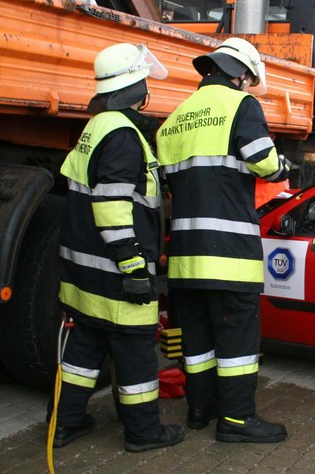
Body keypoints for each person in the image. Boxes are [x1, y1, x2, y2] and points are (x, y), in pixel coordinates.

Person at [53, 43, 185, 452]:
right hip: (115, 273)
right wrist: (133, 268)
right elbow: (111, 206)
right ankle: (144, 432)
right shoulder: (124, 135)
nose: (149, 88)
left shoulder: (95, 128)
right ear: (134, 86)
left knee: (85, 347)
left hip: (83, 274)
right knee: (136, 352)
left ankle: (65, 423)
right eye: (145, 81)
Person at [156, 38, 289, 444]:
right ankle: (236, 420)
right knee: (236, 341)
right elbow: (265, 162)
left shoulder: (176, 117)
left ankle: (201, 410)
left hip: (185, 257)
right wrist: (283, 164)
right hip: (228, 255)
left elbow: (165, 180)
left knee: (196, 340)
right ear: (241, 74)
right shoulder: (240, 106)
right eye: (249, 80)